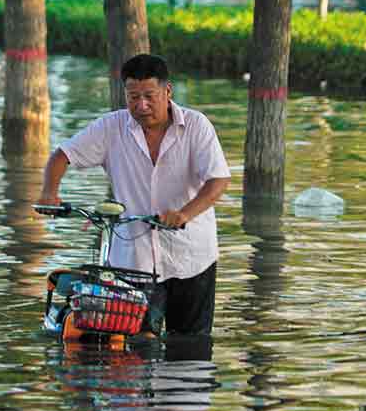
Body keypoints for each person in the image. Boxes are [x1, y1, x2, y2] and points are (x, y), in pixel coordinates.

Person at [37, 54, 230, 336]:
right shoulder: (110, 127)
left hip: (191, 258)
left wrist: (184, 213)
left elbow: (218, 180)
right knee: (129, 350)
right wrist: (48, 193)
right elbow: (62, 155)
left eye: (150, 96)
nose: (142, 105)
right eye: (133, 97)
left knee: (191, 349)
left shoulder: (197, 126)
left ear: (167, 91)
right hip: (131, 262)